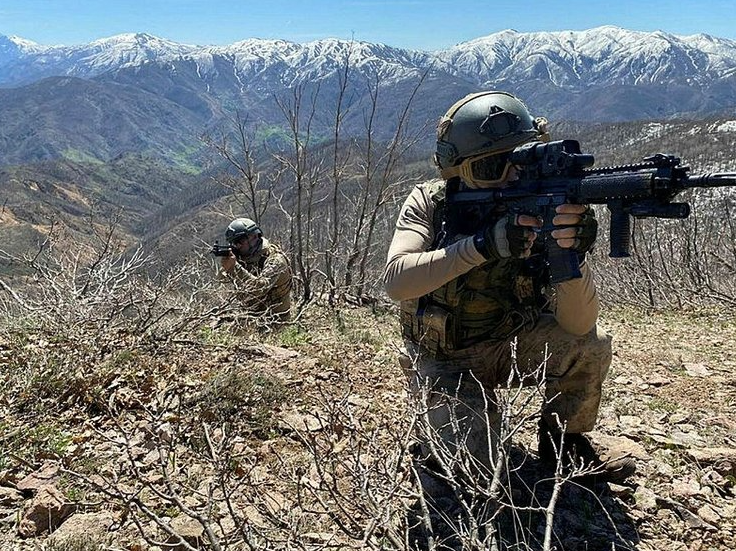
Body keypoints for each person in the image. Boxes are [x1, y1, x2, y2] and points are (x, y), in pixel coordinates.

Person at [383, 91, 635, 483]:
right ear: (456, 171)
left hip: (512, 344)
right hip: (445, 359)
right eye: (492, 167)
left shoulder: (540, 208)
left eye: (522, 159)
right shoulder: (430, 204)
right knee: (475, 472)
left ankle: (563, 443)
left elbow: (577, 325)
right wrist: (481, 246)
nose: (512, 176)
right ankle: (437, 427)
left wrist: (569, 254)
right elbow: (397, 281)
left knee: (591, 344)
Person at [219, 217, 292, 325]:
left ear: (254, 236)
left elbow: (259, 288)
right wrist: (227, 267)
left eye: (240, 240)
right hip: (251, 316)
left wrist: (235, 267)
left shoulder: (275, 260)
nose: (237, 245)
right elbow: (222, 281)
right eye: (234, 242)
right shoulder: (244, 257)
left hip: (276, 321)